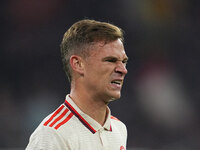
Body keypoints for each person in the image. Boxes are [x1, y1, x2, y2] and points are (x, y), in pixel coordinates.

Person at [26, 19, 128, 150]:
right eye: (110, 60)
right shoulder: (53, 135)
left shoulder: (119, 129)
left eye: (123, 61)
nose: (123, 69)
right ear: (78, 64)